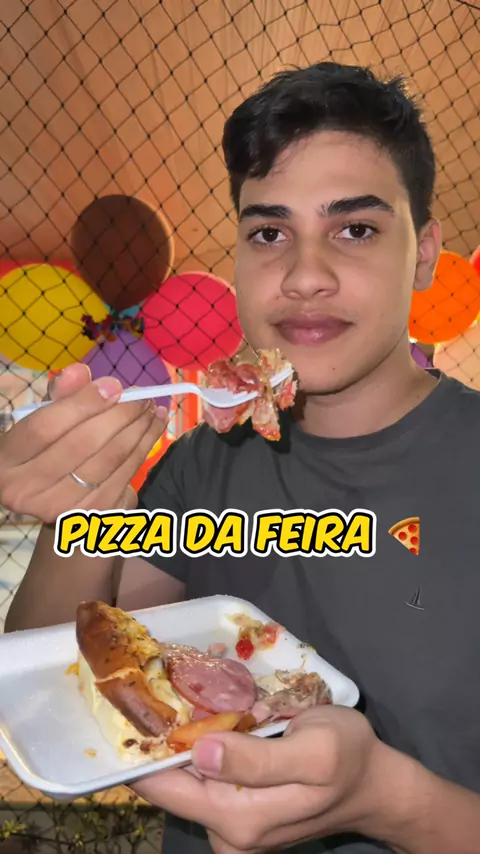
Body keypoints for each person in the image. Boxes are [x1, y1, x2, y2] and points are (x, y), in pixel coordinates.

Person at [1, 61, 480, 854]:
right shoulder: (203, 463)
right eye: (268, 233)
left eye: (355, 229)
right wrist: (76, 513)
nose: (304, 276)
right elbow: (51, 669)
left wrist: (387, 803)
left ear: (425, 254)